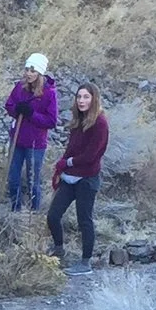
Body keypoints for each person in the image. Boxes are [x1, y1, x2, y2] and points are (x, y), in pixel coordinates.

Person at [48, 82, 109, 273]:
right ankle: (59, 249)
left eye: (86, 97)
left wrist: (67, 163)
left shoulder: (100, 123)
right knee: (53, 216)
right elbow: (71, 148)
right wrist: (60, 167)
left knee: (84, 220)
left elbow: (91, 156)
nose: (81, 101)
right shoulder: (78, 120)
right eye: (79, 97)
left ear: (94, 99)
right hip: (69, 178)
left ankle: (85, 262)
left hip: (87, 179)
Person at [3, 52, 57, 214]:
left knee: (33, 179)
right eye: (27, 69)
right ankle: (16, 209)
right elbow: (9, 105)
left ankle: (34, 213)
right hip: (17, 139)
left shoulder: (49, 93)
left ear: (40, 73)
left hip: (35, 144)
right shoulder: (20, 87)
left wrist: (32, 114)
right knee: (13, 177)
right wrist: (16, 109)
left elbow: (51, 121)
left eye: (33, 71)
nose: (28, 73)